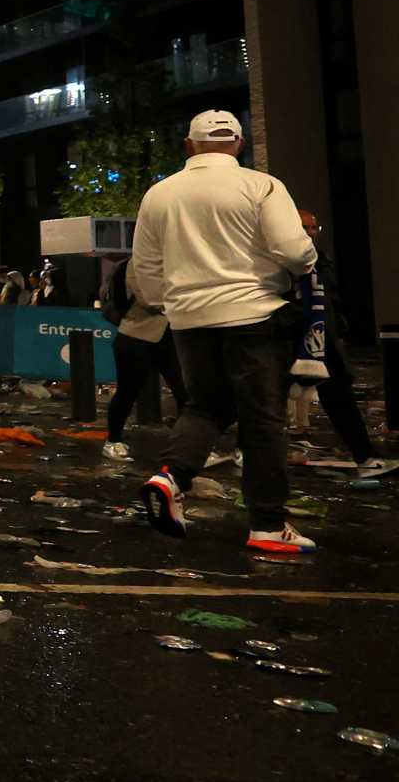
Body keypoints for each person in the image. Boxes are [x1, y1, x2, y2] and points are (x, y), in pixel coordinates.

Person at [131, 112, 319, 553]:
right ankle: (268, 524)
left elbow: (145, 266)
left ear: (188, 145)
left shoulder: (159, 194)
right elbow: (293, 249)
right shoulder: (261, 186)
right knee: (262, 420)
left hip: (189, 320)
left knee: (204, 406)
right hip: (254, 315)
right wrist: (306, 263)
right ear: (238, 144)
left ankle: (171, 476)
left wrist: (170, 301)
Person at [292, 209, 395, 481]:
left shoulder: (318, 259)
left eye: (314, 228)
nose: (310, 233)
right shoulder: (286, 261)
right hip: (294, 336)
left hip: (321, 337)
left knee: (338, 395)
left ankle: (366, 457)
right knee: (264, 400)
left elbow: (330, 297)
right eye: (304, 228)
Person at [98, 250, 184, 462]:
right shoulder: (138, 263)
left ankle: (187, 446)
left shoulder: (175, 259)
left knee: (185, 393)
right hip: (136, 337)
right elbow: (150, 300)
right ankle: (113, 441)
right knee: (127, 392)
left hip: (169, 336)